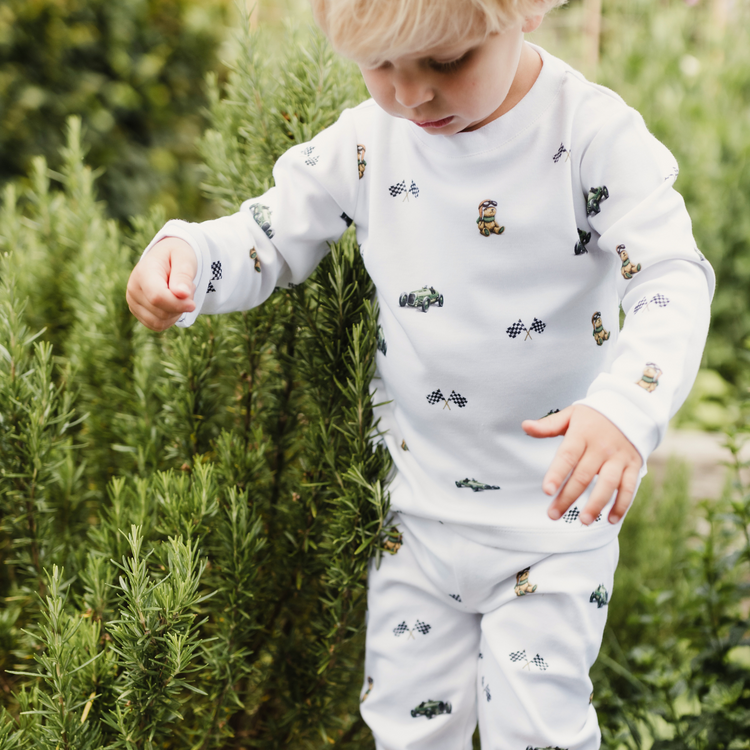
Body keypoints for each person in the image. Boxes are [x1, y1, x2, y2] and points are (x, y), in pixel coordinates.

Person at [126, 0, 715, 747]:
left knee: (538, 732)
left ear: (525, 11)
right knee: (408, 730)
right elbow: (266, 235)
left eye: (446, 61)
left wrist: (626, 408)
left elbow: (671, 276)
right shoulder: (368, 143)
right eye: (379, 66)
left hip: (553, 525)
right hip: (414, 522)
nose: (411, 95)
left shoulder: (592, 138)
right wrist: (188, 257)